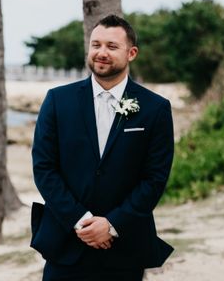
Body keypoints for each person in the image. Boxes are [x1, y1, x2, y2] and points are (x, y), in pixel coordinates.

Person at [31, 15, 174, 281]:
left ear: (131, 53)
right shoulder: (57, 101)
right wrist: (81, 220)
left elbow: (154, 179)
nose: (101, 53)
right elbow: (44, 168)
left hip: (124, 246)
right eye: (96, 45)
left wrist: (111, 225)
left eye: (111, 46)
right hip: (66, 243)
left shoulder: (156, 109)